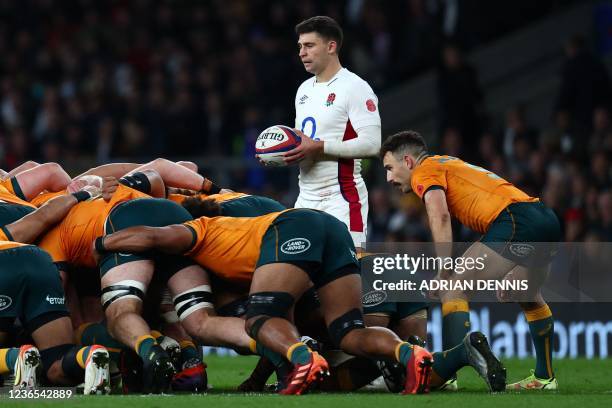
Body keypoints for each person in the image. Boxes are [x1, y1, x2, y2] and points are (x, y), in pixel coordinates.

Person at [381, 130, 561, 391]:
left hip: (514, 220)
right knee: (528, 294)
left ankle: (447, 375)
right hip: (543, 218)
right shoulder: (446, 162)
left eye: (389, 168)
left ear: (408, 161)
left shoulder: (424, 170)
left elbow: (439, 215)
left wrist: (443, 269)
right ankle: (546, 378)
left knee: (453, 286)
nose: (388, 177)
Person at [284, 16, 381, 249]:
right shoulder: (303, 90)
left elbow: (372, 144)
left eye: (309, 45)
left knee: (347, 275)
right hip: (305, 198)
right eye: (300, 46)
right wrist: (281, 153)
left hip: (343, 198)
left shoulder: (355, 87)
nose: (301, 53)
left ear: (331, 46)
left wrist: (320, 146)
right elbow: (303, 142)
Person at [0, 240, 110, 394]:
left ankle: (17, 358)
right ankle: (90, 356)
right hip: (40, 260)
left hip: (4, 264)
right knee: (56, 364)